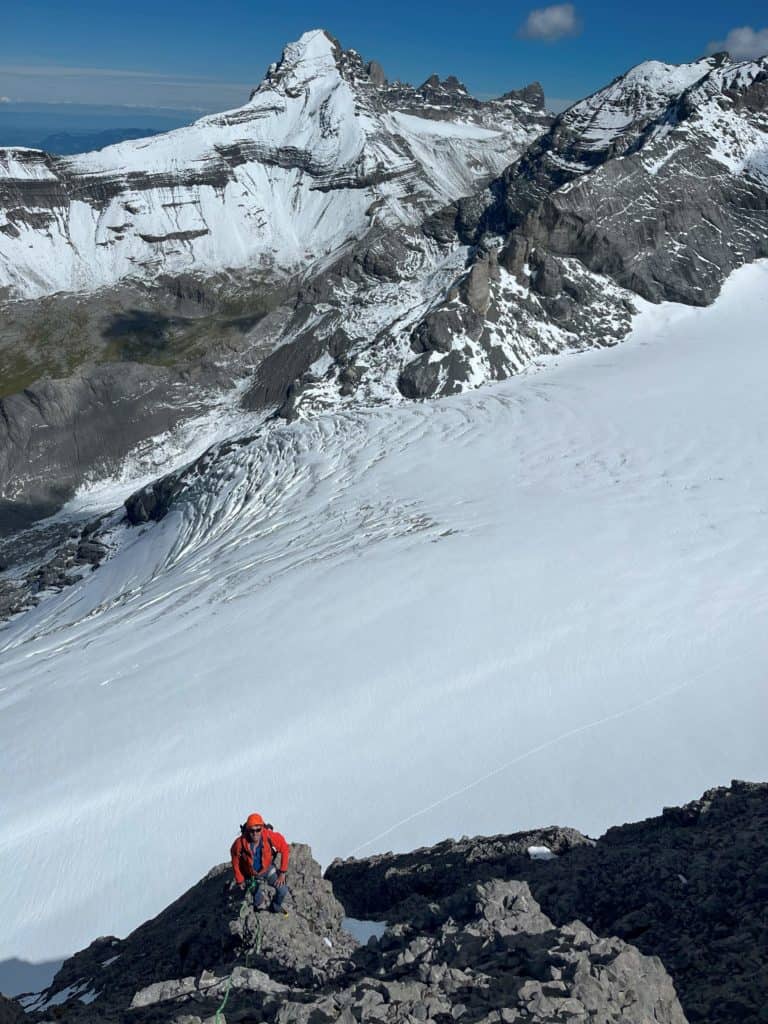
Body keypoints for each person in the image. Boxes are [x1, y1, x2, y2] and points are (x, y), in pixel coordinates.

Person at [230, 813, 290, 914]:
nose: (255, 833)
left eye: (258, 830)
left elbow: (284, 848)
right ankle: (259, 903)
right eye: (252, 830)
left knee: (282, 890)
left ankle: (275, 906)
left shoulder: (268, 836)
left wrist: (283, 872)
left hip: (266, 869)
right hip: (250, 874)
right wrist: (240, 879)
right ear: (247, 830)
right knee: (256, 894)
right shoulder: (240, 843)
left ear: (262, 828)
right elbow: (235, 859)